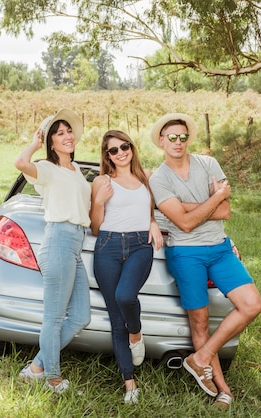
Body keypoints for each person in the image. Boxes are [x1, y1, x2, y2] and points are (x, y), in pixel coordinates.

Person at [148, 113, 261, 410]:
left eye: (182, 137)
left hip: (220, 248)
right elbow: (185, 225)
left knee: (252, 304)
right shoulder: (158, 179)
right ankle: (222, 391)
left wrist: (187, 209)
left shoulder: (208, 164)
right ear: (161, 141)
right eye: (171, 137)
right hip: (185, 254)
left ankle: (200, 358)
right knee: (199, 323)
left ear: (189, 139)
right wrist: (211, 201)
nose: (178, 142)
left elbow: (225, 212)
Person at [14, 109, 91, 393]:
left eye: (69, 131)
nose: (67, 136)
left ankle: (36, 368)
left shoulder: (77, 170)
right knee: (55, 317)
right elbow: (20, 162)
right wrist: (35, 142)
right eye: (59, 133)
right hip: (58, 240)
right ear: (51, 142)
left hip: (75, 245)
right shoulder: (46, 169)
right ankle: (53, 378)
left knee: (81, 316)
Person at [90, 130, 163, 404]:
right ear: (107, 156)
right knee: (115, 318)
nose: (121, 152)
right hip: (107, 246)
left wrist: (153, 222)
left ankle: (137, 332)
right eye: (113, 150)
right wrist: (98, 201)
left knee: (125, 296)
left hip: (138, 246)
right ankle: (129, 382)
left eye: (125, 146)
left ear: (132, 148)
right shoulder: (102, 181)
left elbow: (150, 212)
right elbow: (96, 226)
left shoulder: (145, 178)